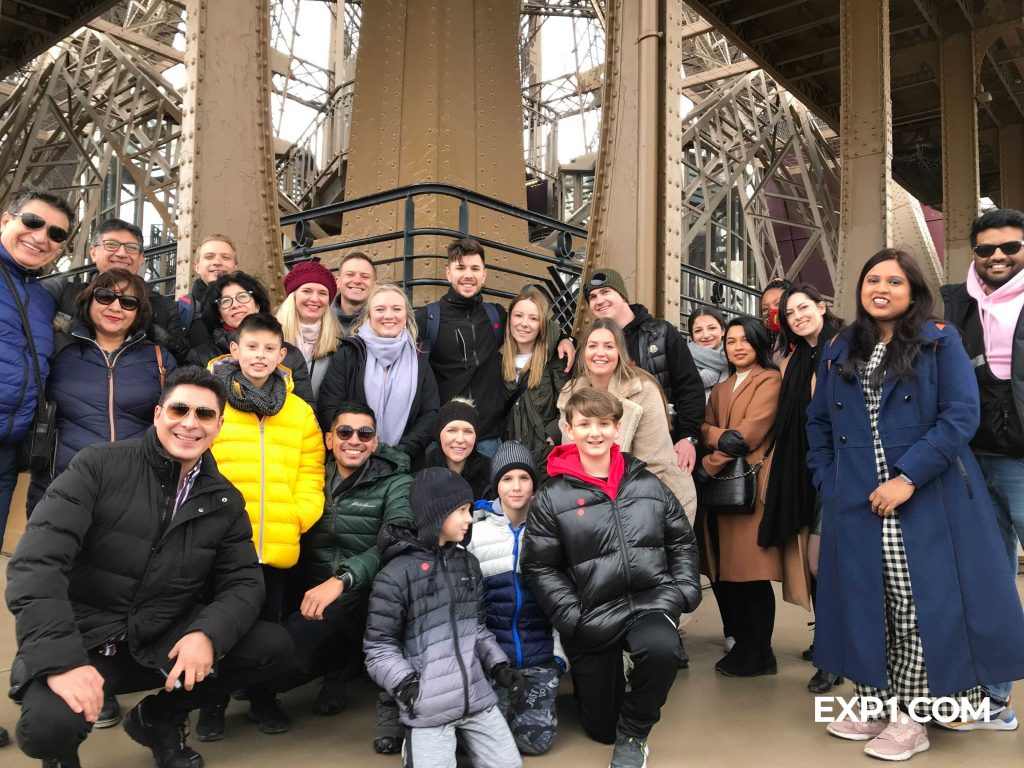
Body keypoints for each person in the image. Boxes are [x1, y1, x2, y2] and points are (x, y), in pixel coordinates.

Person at [5, 366, 292, 768]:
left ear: (219, 425)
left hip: (161, 636)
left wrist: (207, 634)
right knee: (46, 730)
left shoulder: (225, 500)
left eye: (205, 414)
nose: (190, 423)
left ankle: (159, 718)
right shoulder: (98, 466)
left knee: (271, 645)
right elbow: (36, 564)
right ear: (158, 414)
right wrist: (61, 661)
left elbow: (244, 584)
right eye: (179, 409)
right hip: (86, 637)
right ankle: (60, 755)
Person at [808, 248, 1024, 759]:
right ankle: (877, 702)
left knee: (915, 605)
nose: (880, 288)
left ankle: (913, 716)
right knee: (864, 600)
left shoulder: (939, 340)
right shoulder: (840, 345)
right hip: (856, 499)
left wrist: (908, 478)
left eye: (894, 282)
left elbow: (960, 416)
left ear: (913, 292)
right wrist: (829, 480)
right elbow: (817, 422)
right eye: (872, 280)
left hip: (925, 497)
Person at [522, 387, 700, 768]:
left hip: (649, 601)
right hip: (593, 612)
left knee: (662, 649)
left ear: (618, 429)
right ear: (569, 429)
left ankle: (636, 731)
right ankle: (610, 684)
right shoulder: (552, 497)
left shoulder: (647, 484)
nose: (595, 432)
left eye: (604, 423)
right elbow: (540, 566)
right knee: (602, 729)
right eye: (584, 424)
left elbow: (682, 540)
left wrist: (683, 591)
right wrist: (573, 617)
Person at [234, 400, 413, 742]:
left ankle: (335, 668)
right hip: (308, 589)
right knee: (270, 647)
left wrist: (343, 579)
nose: (354, 440)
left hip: (364, 592)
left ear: (375, 442)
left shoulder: (396, 481)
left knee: (291, 658)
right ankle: (327, 666)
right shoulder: (311, 475)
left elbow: (398, 538)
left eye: (365, 433)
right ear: (329, 439)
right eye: (344, 432)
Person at [198, 313, 325, 739]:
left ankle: (262, 698)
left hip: (275, 540)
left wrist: (298, 515)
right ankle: (211, 705)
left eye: (269, 348)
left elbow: (312, 471)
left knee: (268, 627)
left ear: (281, 355)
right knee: (219, 625)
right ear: (234, 350)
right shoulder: (211, 402)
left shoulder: (300, 411)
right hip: (224, 542)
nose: (260, 355)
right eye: (251, 347)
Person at [363, 467, 524, 768]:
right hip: (427, 706)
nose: (470, 518)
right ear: (436, 514)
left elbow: (476, 627)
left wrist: (499, 666)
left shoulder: (467, 563)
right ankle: (413, 744)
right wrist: (408, 688)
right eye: (462, 510)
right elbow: (378, 648)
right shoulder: (395, 575)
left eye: (470, 510)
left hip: (476, 697)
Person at [941, 208, 1024, 710]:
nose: (997, 256)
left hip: (1021, 460)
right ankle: (993, 689)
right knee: (988, 575)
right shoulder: (953, 302)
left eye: (1010, 247)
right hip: (969, 460)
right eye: (986, 249)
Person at [698, 317, 797, 678]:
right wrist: (718, 437)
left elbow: (748, 436)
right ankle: (744, 644)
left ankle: (760, 651)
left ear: (758, 343)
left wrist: (708, 462)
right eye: (731, 341)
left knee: (751, 575)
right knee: (727, 574)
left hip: (748, 488)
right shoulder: (722, 388)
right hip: (725, 491)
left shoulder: (769, 380)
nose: (737, 347)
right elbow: (704, 427)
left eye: (745, 340)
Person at [29, 270, 176, 512]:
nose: (116, 307)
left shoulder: (159, 359)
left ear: (139, 312)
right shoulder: (58, 352)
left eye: (128, 302)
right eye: (105, 296)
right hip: (61, 487)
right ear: (89, 300)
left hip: (137, 491)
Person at [416, 237, 574, 458]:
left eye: (475, 268)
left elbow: (532, 325)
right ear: (448, 272)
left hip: (489, 440)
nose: (468, 275)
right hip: (445, 438)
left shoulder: (496, 316)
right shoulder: (427, 319)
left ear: (484, 274)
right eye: (460, 268)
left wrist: (567, 338)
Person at [759, 284, 842, 694]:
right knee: (817, 563)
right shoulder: (796, 357)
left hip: (841, 472)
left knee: (820, 562)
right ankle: (830, 645)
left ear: (822, 307)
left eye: (803, 308)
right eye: (790, 313)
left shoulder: (844, 347)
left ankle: (834, 652)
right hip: (805, 471)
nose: (797, 316)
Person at [467, 441, 565, 756]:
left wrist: (559, 656)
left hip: (540, 657)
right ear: (497, 484)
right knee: (483, 746)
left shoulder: (550, 529)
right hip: (494, 660)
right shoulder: (476, 534)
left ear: (534, 483)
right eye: (507, 479)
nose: (516, 487)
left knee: (533, 744)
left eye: (524, 478)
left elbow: (563, 602)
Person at [558, 319, 696, 520]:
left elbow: (653, 465)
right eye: (593, 346)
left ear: (619, 351)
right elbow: (571, 458)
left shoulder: (644, 390)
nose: (600, 353)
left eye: (609, 346)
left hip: (657, 499)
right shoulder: (571, 392)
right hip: (594, 503)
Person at [0, 187, 70, 543]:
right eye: (33, 222)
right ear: (6, 220)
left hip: (9, 452)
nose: (42, 237)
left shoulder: (41, 299)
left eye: (56, 234)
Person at [585, 268, 704, 474]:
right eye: (593, 296)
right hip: (609, 451)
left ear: (622, 296)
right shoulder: (591, 343)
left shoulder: (662, 333)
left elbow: (690, 387)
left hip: (662, 445)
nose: (599, 300)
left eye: (606, 292)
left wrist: (688, 438)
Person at [316, 283, 439, 465]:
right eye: (380, 309)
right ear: (369, 315)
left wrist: (399, 452)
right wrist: (358, 444)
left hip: (403, 464)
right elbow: (329, 406)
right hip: (352, 462)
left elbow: (430, 414)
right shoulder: (350, 353)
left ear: (406, 316)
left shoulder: (420, 357)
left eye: (397, 309)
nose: (388, 316)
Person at [47, 218, 189, 364]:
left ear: (141, 258)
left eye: (132, 247)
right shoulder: (63, 293)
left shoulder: (165, 307)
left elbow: (177, 363)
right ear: (93, 252)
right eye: (111, 245)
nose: (121, 253)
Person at [186, 270, 314, 405]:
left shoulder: (291, 355)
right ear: (218, 314)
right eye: (225, 301)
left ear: (257, 305)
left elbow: (306, 408)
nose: (235, 305)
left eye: (242, 297)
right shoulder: (201, 357)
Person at [499, 286, 566, 481]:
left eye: (533, 318)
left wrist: (552, 434)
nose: (524, 324)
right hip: (507, 459)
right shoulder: (497, 358)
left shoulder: (555, 359)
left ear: (542, 325)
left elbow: (569, 404)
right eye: (518, 316)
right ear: (510, 318)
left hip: (544, 460)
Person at [276, 260, 341, 400]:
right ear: (293, 296)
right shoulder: (270, 335)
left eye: (323, 293)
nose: (315, 299)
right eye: (307, 291)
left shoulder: (339, 342)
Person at [423, 398, 492, 499]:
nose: (460, 439)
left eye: (468, 431)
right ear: (439, 435)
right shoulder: (422, 479)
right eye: (452, 430)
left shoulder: (492, 475)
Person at [178, 235, 237, 346]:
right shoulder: (179, 311)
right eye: (209, 257)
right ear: (197, 267)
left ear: (235, 267)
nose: (217, 262)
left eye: (225, 257)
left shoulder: (251, 308)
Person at [687, 308, 728, 402]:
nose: (705, 335)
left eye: (712, 328)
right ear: (692, 336)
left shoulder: (736, 358)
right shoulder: (682, 360)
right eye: (698, 331)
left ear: (723, 331)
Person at [333, 251, 377, 335]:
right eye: (350, 274)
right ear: (337, 282)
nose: (357, 281)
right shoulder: (320, 318)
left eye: (365, 277)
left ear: (375, 286)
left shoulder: (385, 321)